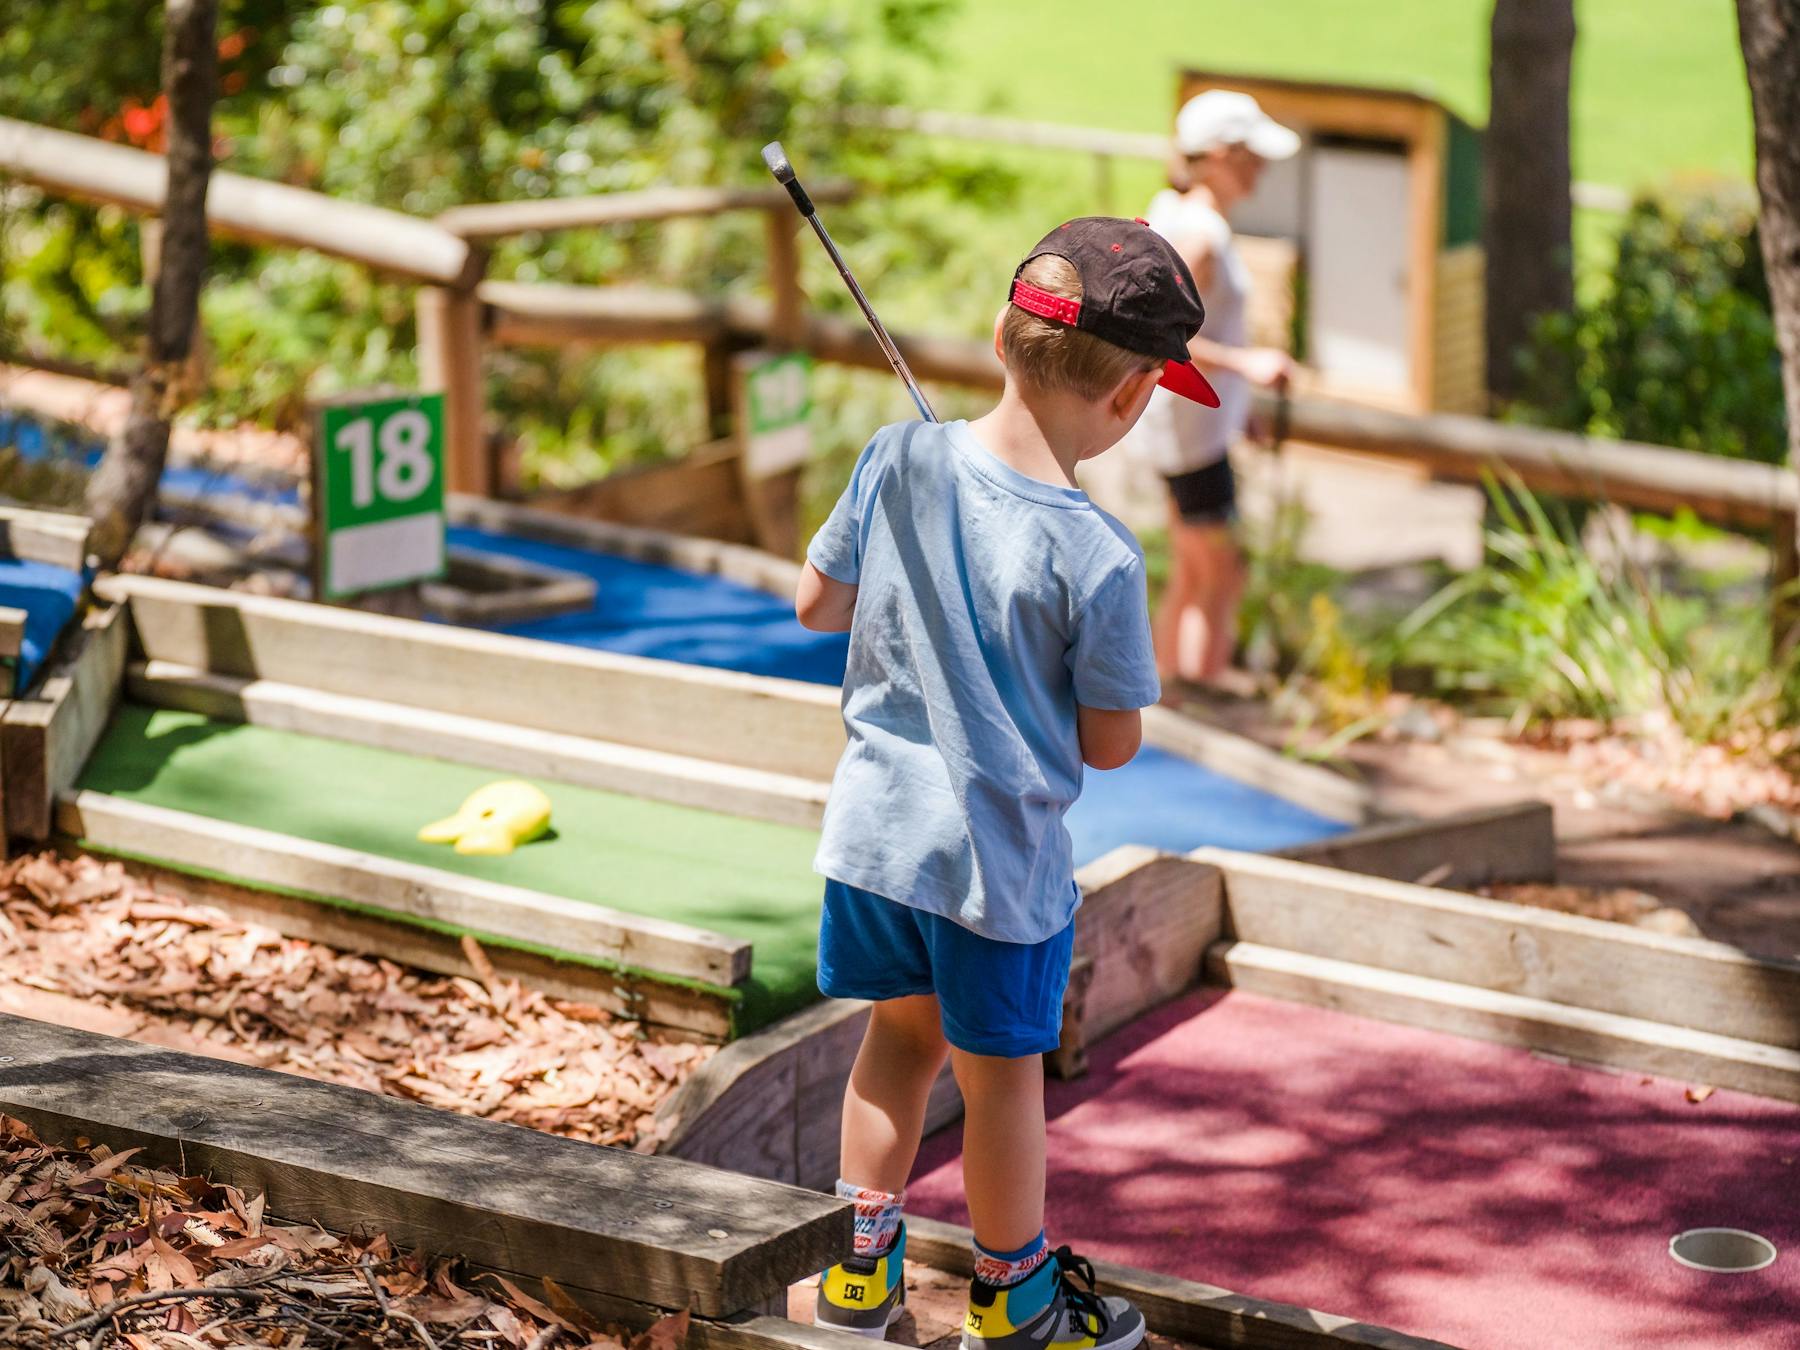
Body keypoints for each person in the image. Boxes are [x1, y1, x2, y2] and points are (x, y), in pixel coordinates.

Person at [794, 217, 1219, 1350]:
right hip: (995, 869)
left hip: (875, 841)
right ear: (1132, 398)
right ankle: (1014, 1296)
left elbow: (816, 606)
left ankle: (859, 1279)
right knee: (1002, 1082)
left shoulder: (896, 457)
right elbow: (1112, 743)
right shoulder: (1100, 554)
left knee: (895, 1044)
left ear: (1000, 334)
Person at [1133, 89, 1300, 691]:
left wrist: (1239, 404)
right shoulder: (1201, 234)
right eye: (1253, 155)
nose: (1262, 169)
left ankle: (1167, 692)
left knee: (1194, 570)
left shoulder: (1175, 211)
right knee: (1221, 575)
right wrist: (1246, 366)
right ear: (1223, 156)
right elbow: (1160, 331)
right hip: (1191, 436)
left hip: (1191, 429)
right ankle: (1199, 693)